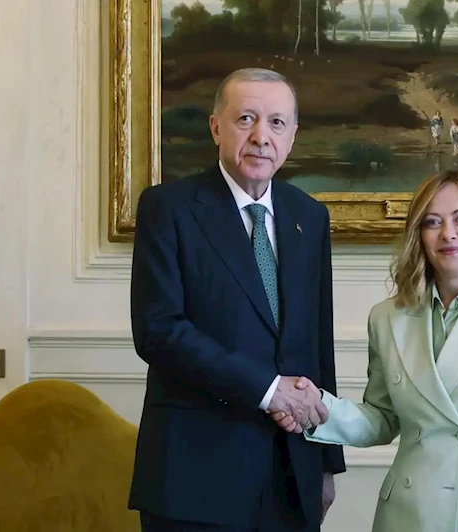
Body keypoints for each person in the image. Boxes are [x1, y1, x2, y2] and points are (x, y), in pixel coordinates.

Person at [273, 170, 458, 531]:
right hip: (407, 514)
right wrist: (317, 408)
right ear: (419, 236)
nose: (448, 233)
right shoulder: (387, 317)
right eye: (432, 222)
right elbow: (383, 419)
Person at [128, 68, 346, 532]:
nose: (261, 136)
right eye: (246, 118)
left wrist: (327, 463)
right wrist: (268, 389)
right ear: (216, 127)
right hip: (195, 478)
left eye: (276, 123)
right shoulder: (169, 208)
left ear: (292, 136)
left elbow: (317, 344)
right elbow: (159, 330)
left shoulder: (310, 216)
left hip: (292, 475)